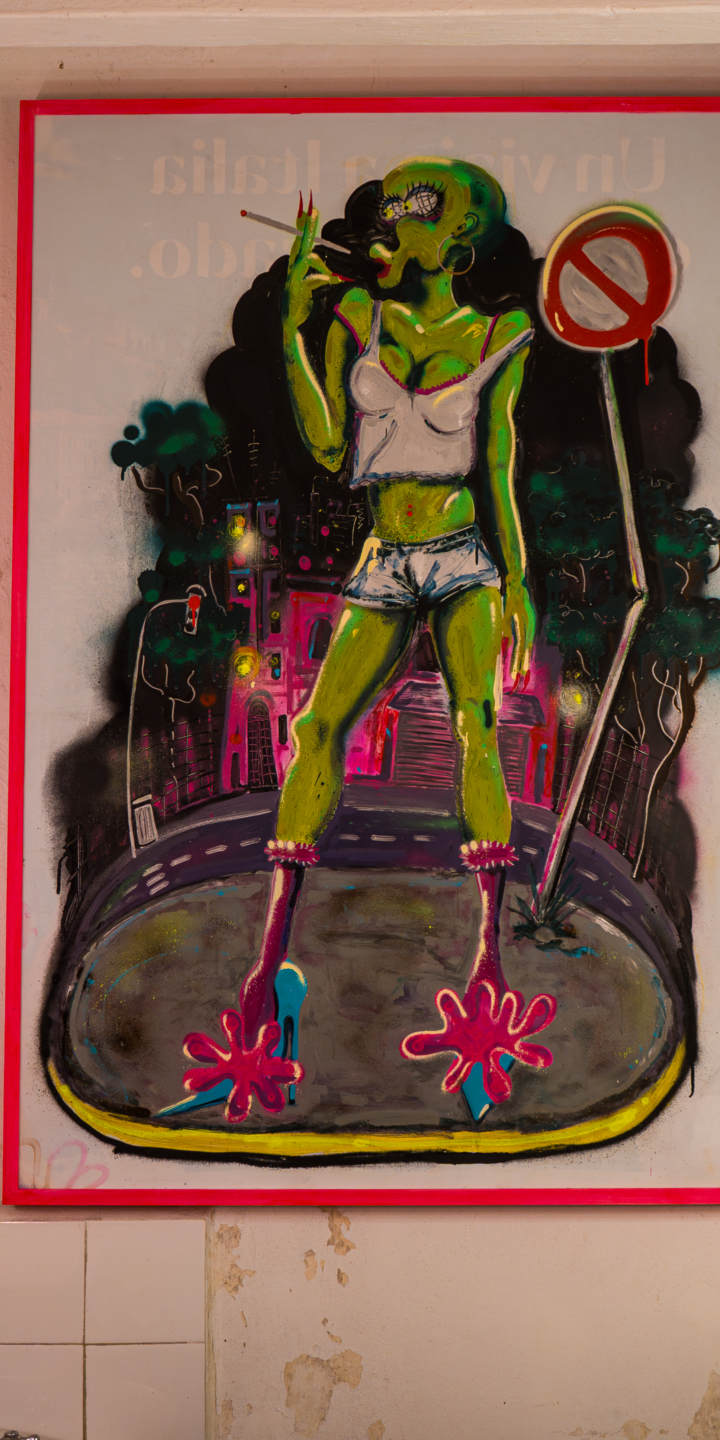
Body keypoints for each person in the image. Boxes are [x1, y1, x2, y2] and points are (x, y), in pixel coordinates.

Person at [173, 159, 557, 1122]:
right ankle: (269, 963)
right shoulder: (357, 317)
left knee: (475, 724)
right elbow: (328, 447)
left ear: (457, 240)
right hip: (384, 555)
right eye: (386, 213)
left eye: (412, 213)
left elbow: (498, 461)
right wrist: (295, 332)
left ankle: (487, 964)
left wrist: (517, 580)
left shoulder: (502, 334)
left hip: (462, 553)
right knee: (315, 727)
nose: (388, 227)